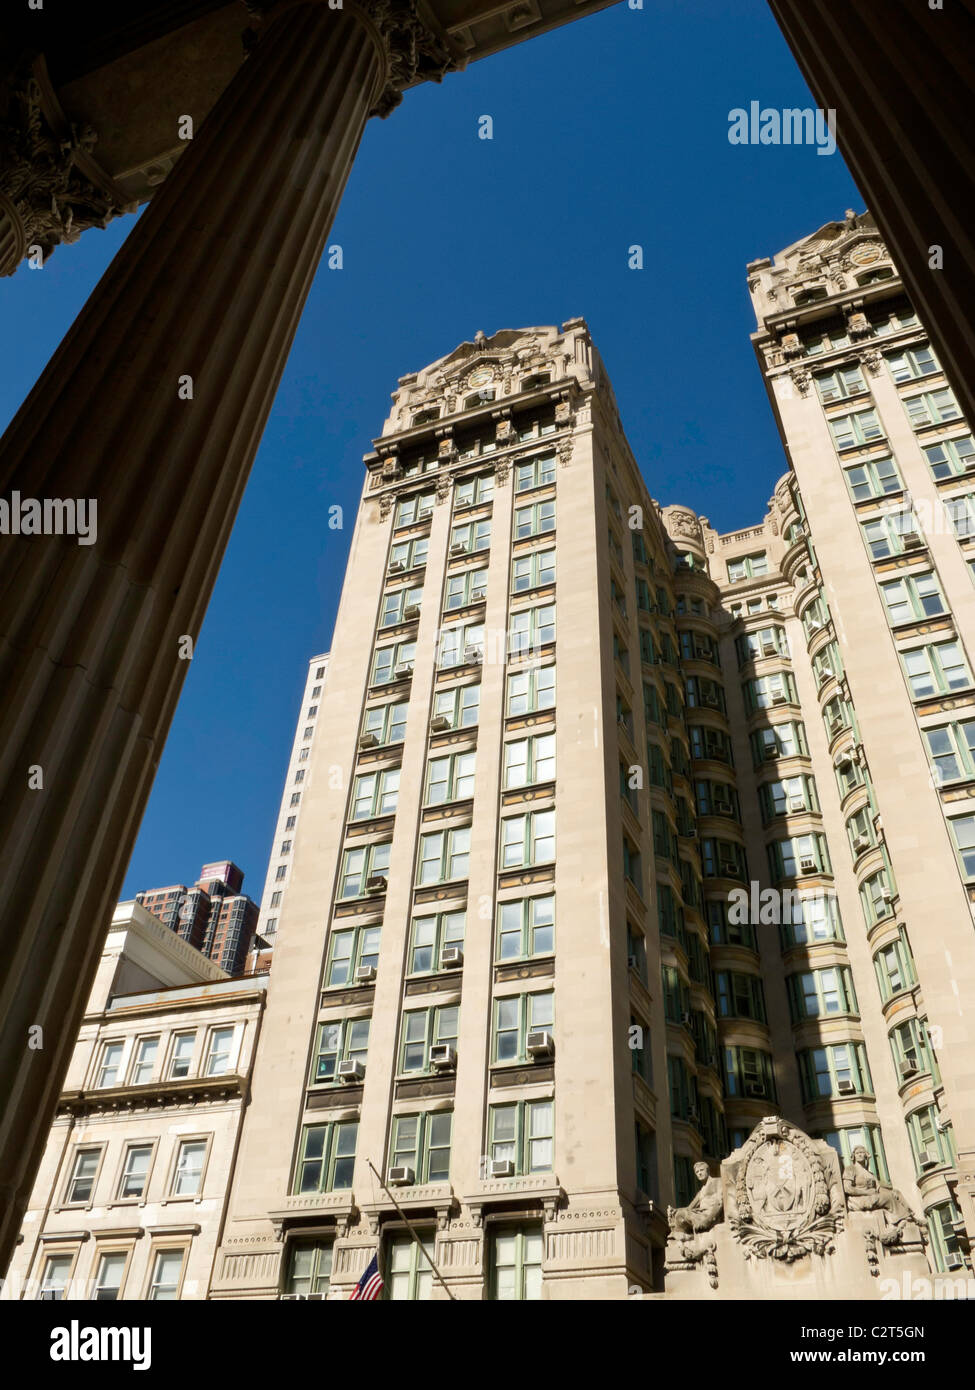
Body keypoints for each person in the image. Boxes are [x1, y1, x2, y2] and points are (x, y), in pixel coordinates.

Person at [668, 1161, 723, 1234]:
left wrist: (708, 1220)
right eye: (697, 1172)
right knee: (679, 1215)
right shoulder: (701, 1192)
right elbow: (689, 1208)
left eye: (701, 1170)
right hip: (699, 1215)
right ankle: (683, 1236)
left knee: (682, 1214)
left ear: (708, 1170)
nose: (699, 1173)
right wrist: (675, 1211)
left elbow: (719, 1202)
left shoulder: (717, 1181)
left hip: (709, 1215)